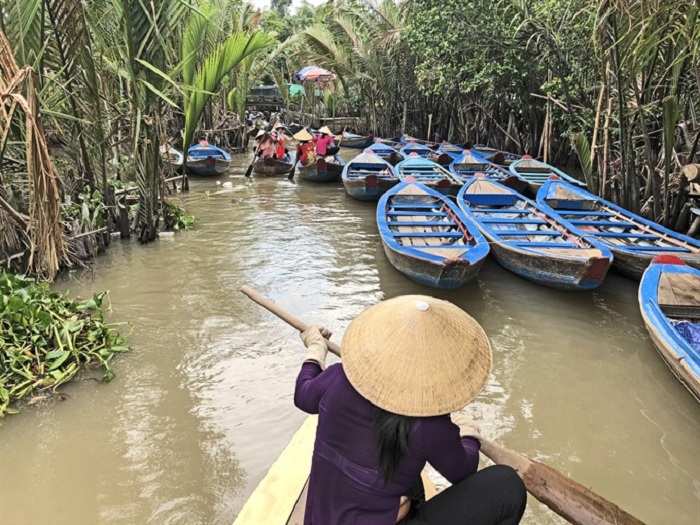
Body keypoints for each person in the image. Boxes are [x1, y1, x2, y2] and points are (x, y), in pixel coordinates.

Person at [295, 295, 527, 525]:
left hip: (321, 518)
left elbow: (303, 395)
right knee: (507, 485)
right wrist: (468, 432)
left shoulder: (337, 377)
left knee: (409, 471)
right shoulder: (430, 426)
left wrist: (316, 349)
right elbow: (463, 470)